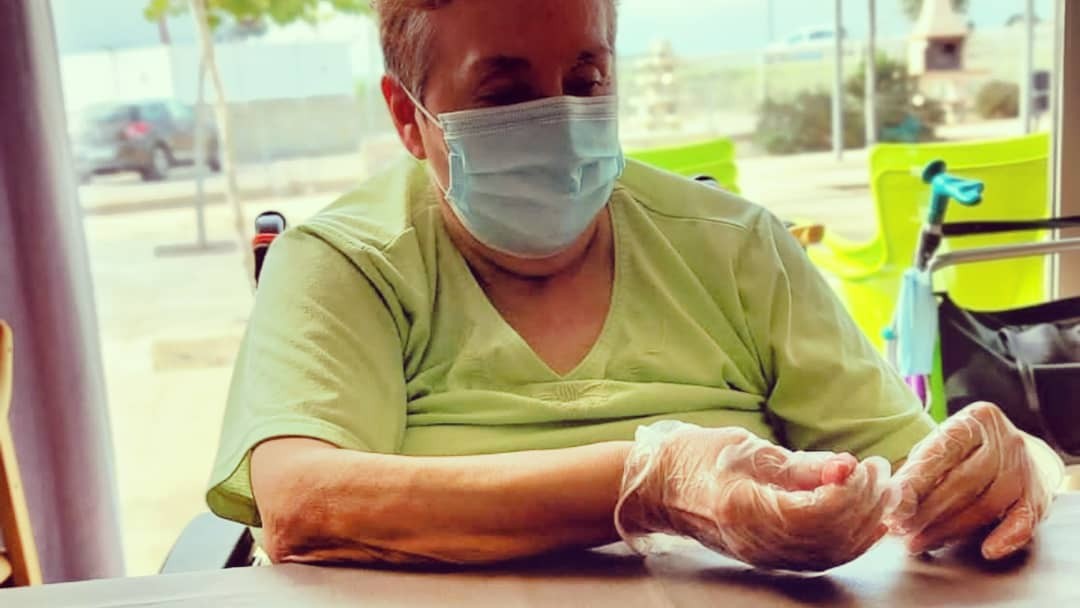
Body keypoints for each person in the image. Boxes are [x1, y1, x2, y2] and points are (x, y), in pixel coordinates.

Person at [206, 0, 1064, 571]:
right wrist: (652, 482)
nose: (562, 120)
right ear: (407, 116)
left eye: (587, 80)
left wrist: (1004, 469)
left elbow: (908, 464)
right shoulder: (347, 262)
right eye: (504, 92)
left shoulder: (735, 247)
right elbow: (302, 506)